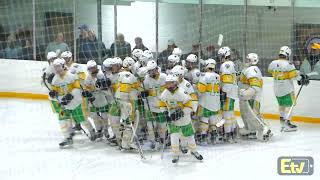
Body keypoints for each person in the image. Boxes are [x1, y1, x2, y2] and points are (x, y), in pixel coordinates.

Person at [49, 58, 96, 147]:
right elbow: (54, 90)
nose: (57, 69)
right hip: (63, 104)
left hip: (75, 103)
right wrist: (53, 93)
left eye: (58, 67)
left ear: (63, 66)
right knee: (63, 120)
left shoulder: (72, 76)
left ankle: (91, 130)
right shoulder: (55, 79)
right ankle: (67, 138)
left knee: (82, 119)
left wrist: (70, 96)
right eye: (55, 67)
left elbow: (78, 89)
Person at [159, 74, 203, 163]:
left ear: (175, 83)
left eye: (170, 83)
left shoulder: (182, 93)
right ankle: (175, 154)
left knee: (189, 136)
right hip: (172, 119)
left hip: (184, 119)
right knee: (174, 136)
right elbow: (162, 105)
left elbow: (190, 107)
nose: (168, 86)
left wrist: (181, 113)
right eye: (167, 83)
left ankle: (194, 151)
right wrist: (165, 113)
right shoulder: (164, 93)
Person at [268, 46, 308, 132]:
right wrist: (301, 78)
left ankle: (282, 121)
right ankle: (287, 123)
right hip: (287, 88)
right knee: (290, 105)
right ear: (288, 54)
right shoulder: (289, 64)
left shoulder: (273, 63)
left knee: (281, 105)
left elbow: (271, 71)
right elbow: (293, 76)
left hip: (277, 88)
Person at [239, 53, 272, 141]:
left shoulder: (252, 69)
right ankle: (251, 129)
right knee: (246, 114)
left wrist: (246, 93)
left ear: (253, 61)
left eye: (248, 60)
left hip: (252, 97)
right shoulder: (248, 69)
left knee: (254, 114)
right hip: (247, 97)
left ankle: (265, 129)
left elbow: (255, 86)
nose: (246, 61)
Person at [197, 59, 224, 145]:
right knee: (213, 121)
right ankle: (214, 138)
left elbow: (200, 90)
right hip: (215, 103)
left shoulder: (204, 75)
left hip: (205, 102)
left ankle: (203, 139)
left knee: (204, 120)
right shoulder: (218, 76)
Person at [83, 60, 112, 139]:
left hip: (102, 98)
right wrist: (87, 93)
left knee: (104, 115)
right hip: (93, 99)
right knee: (94, 115)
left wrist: (102, 86)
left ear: (96, 67)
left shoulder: (102, 75)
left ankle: (105, 129)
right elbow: (86, 87)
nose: (92, 70)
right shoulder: (88, 76)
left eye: (93, 68)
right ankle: (99, 130)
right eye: (90, 68)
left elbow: (107, 87)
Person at [142, 60, 167, 149]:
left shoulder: (164, 77)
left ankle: (162, 139)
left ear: (157, 69)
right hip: (150, 106)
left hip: (162, 106)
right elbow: (142, 91)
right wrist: (143, 95)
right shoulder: (146, 79)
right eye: (149, 71)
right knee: (150, 125)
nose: (150, 73)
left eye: (152, 70)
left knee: (162, 125)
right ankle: (152, 140)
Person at [218, 46, 238, 143]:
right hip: (232, 92)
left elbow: (227, 81)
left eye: (221, 55)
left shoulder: (226, 65)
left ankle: (228, 135)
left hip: (228, 93)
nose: (220, 57)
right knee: (230, 113)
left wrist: (224, 92)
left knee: (227, 114)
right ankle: (233, 133)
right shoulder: (231, 64)